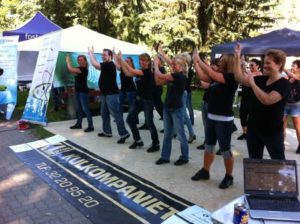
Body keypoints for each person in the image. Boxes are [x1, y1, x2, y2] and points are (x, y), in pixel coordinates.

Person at [233, 43, 291, 160]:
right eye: (265, 62)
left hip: (272, 132)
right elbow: (239, 78)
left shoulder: (284, 84)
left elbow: (267, 100)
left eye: (268, 63)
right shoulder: (261, 79)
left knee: (279, 163)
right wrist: (236, 57)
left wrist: (253, 84)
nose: (265, 66)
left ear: (279, 64)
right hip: (254, 129)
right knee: (254, 163)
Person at [192, 49, 238, 189]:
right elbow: (203, 76)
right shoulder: (218, 76)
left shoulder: (231, 77)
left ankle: (229, 176)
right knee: (209, 146)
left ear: (228, 62)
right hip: (212, 117)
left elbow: (211, 74)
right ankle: (205, 171)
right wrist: (195, 62)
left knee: (225, 149)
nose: (220, 61)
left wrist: (199, 59)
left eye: (222, 59)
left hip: (223, 120)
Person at [117, 52, 160, 152]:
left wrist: (122, 60)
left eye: (144, 60)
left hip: (147, 101)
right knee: (130, 119)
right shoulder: (140, 71)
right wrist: (120, 61)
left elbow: (131, 70)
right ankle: (138, 140)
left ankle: (156, 143)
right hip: (138, 100)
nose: (142, 62)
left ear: (149, 62)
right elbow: (128, 73)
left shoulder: (147, 72)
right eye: (141, 60)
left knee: (149, 123)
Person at [88, 47, 130, 143]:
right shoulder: (107, 64)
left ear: (110, 56)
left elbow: (95, 65)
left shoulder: (109, 65)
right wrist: (93, 54)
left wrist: (90, 54)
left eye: (105, 55)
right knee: (104, 114)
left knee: (116, 115)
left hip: (111, 95)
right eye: (102, 55)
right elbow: (96, 64)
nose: (103, 57)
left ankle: (124, 133)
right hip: (105, 94)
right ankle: (107, 131)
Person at [154, 55, 189, 165]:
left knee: (180, 135)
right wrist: (157, 69)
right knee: (167, 134)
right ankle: (165, 157)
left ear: (182, 67)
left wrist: (155, 65)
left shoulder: (180, 76)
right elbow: (158, 82)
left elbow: (160, 75)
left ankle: (184, 157)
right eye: (172, 64)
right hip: (167, 108)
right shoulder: (172, 76)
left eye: (175, 64)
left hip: (176, 109)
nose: (172, 66)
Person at [66, 54, 94, 132]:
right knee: (79, 109)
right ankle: (79, 124)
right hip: (78, 91)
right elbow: (72, 71)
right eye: (78, 60)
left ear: (85, 61)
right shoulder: (79, 68)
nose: (79, 61)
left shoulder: (83, 69)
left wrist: (68, 61)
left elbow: (70, 69)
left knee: (85, 109)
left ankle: (90, 126)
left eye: (81, 60)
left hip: (83, 91)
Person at [237, 58, 262, 140]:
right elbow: (242, 77)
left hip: (253, 99)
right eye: (249, 65)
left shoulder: (259, 73)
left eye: (252, 65)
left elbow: (248, 77)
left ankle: (251, 134)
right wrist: (241, 66)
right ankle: (245, 133)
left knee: (251, 118)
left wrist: (243, 67)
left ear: (258, 66)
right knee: (242, 116)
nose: (250, 66)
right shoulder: (249, 72)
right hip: (244, 98)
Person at [197, 58, 219, 150]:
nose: (213, 66)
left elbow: (206, 85)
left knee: (217, 128)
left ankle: (223, 147)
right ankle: (207, 142)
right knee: (207, 126)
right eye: (212, 64)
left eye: (215, 65)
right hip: (205, 102)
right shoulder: (211, 76)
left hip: (213, 106)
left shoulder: (220, 77)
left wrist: (206, 84)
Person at [283, 60, 300, 154]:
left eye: (294, 65)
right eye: (291, 65)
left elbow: (295, 77)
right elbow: (286, 85)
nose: (292, 67)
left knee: (298, 128)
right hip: (285, 104)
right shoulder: (289, 76)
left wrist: (284, 69)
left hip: (296, 106)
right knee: (282, 127)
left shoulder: (298, 76)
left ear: (299, 68)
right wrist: (288, 77)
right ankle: (281, 144)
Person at [114, 56, 137, 122]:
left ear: (131, 63)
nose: (126, 62)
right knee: (119, 103)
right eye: (125, 61)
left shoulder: (131, 69)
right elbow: (117, 64)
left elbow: (127, 73)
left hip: (130, 90)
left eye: (127, 61)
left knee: (131, 105)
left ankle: (133, 118)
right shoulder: (123, 68)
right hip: (123, 89)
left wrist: (119, 60)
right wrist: (114, 55)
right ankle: (119, 117)